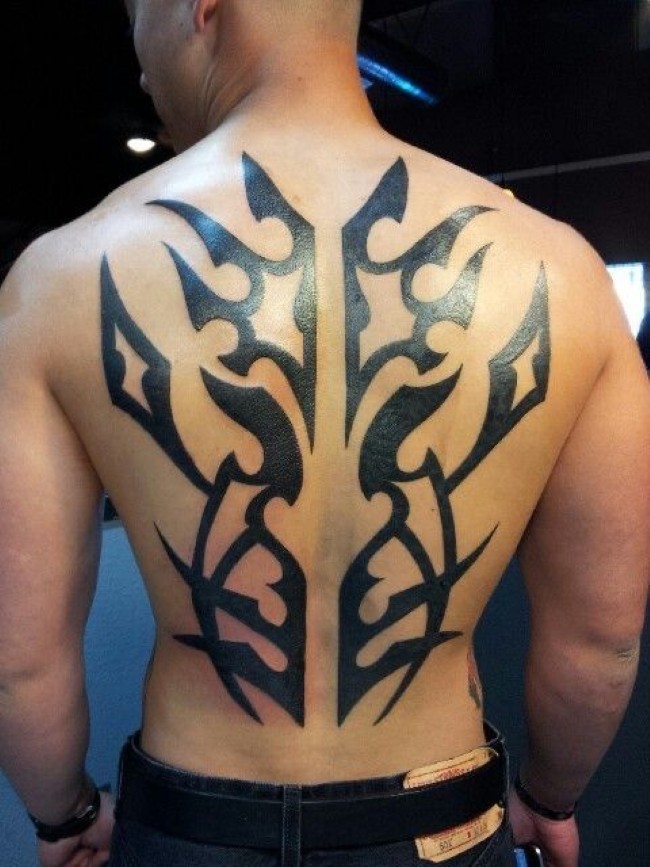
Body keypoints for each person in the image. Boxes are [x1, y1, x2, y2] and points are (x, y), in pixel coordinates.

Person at [0, 1, 648, 865]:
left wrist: (65, 814)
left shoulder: (60, 277)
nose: (141, 64)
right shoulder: (565, 276)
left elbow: (18, 661)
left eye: (134, 16)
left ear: (200, 8)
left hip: (194, 830)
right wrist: (548, 798)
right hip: (443, 822)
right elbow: (601, 641)